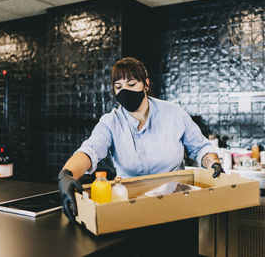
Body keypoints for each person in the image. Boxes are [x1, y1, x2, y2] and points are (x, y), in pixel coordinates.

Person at [58, 57, 225, 222]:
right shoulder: (111, 122)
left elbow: (200, 148)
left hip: (177, 205)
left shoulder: (174, 113)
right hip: (131, 208)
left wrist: (213, 163)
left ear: (145, 84)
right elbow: (89, 151)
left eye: (131, 84)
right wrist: (66, 174)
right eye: (118, 87)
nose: (125, 91)